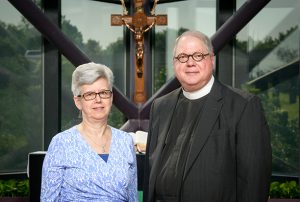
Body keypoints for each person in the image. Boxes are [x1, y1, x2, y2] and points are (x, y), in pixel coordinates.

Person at [144, 30, 272, 202]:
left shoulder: (243, 106)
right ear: (174, 63)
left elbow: (254, 182)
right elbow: (150, 171)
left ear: (211, 60)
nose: (190, 62)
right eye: (182, 57)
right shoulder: (160, 106)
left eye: (198, 56)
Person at [41, 62, 138, 201]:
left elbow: (133, 197)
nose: (98, 100)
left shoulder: (125, 141)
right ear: (78, 101)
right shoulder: (61, 143)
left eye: (104, 93)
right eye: (90, 94)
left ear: (111, 97)